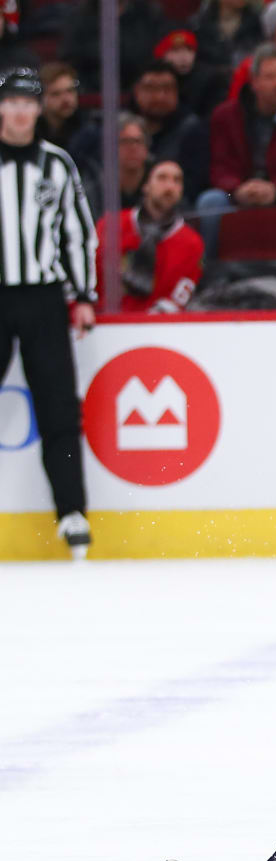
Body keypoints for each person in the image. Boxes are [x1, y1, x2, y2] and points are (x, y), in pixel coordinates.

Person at [0, 69, 97, 559]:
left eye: (26, 102)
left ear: (39, 110)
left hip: (41, 297)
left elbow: (78, 233)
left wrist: (83, 295)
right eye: (10, 101)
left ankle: (71, 512)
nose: (18, 110)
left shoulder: (56, 165)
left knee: (58, 406)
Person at [201, 45, 276, 215]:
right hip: (236, 192)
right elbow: (219, 168)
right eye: (270, 77)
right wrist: (237, 189)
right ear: (254, 81)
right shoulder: (225, 116)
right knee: (211, 200)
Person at [98, 159, 205, 314]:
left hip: (156, 328)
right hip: (105, 321)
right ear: (146, 185)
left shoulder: (192, 243)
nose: (170, 186)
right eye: (162, 178)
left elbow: (179, 297)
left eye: (177, 180)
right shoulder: (111, 225)